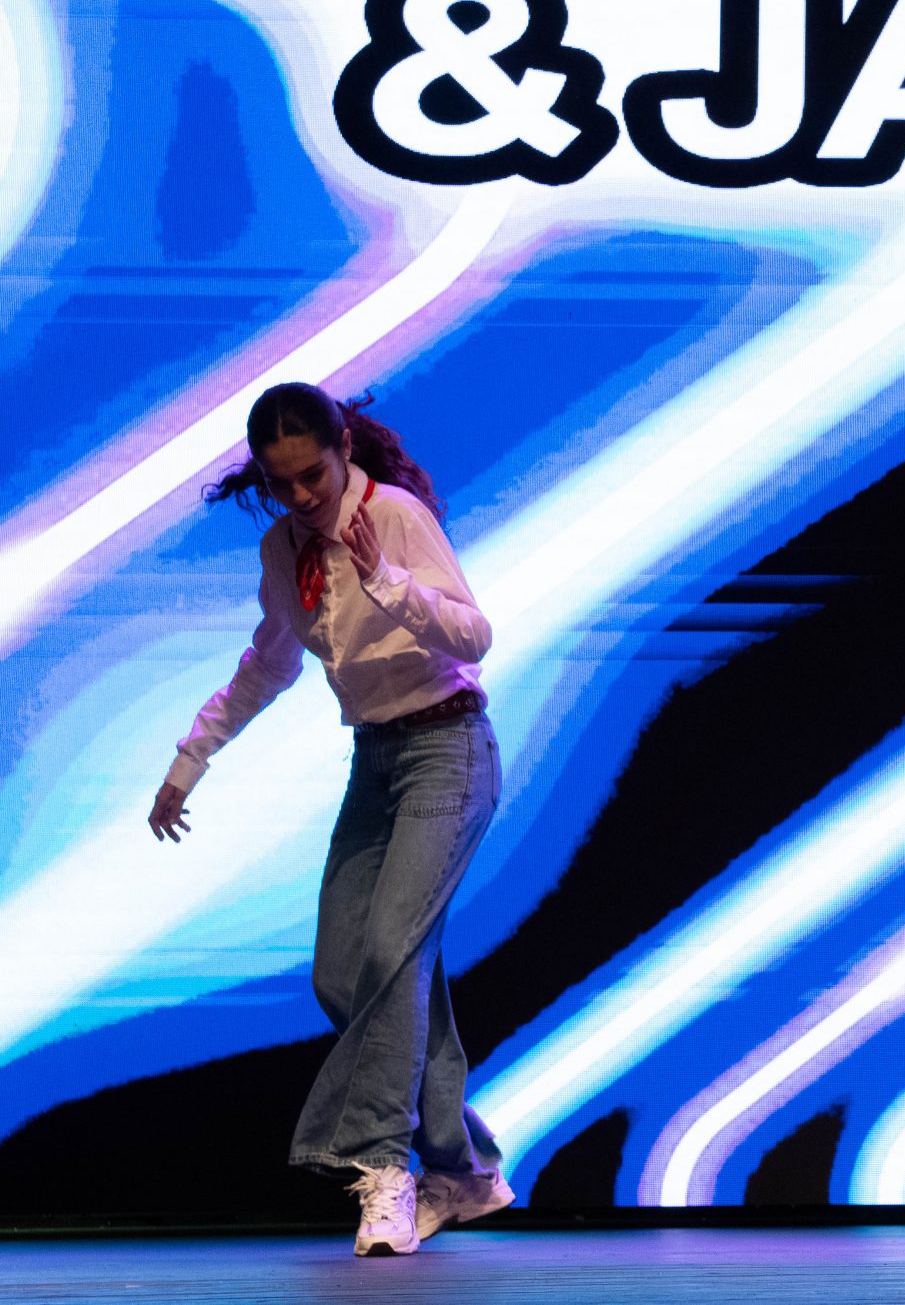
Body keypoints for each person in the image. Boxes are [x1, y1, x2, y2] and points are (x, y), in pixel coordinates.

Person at [150, 384, 511, 1257]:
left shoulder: (394, 517)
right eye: (281, 482)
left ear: (343, 448)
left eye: (312, 473)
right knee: (346, 976)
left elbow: (473, 636)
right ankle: (465, 1171)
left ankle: (383, 1168)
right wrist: (189, 761)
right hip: (375, 762)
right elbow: (266, 664)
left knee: (392, 953)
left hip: (449, 749)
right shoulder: (284, 549)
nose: (301, 494)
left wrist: (387, 583)